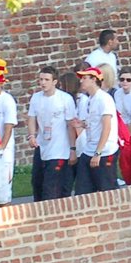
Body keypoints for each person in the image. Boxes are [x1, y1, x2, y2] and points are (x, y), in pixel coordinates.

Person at [28, 66, 76, 200]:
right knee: (37, 183)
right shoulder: (36, 98)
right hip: (42, 145)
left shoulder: (65, 99)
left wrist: (72, 149)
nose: (43, 83)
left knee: (52, 186)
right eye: (41, 79)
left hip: (59, 148)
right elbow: (31, 118)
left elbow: (70, 125)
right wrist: (32, 135)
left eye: (46, 80)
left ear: (54, 82)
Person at [71, 66, 118, 194]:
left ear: (94, 80)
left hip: (104, 150)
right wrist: (82, 124)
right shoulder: (90, 99)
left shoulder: (104, 99)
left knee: (107, 189)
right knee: (82, 189)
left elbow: (107, 126)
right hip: (89, 148)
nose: (81, 81)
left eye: (85, 78)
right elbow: (94, 123)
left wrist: (98, 153)